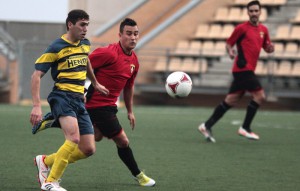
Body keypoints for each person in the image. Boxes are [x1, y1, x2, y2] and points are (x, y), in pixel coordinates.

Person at [32, 18, 155, 187]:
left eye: (136, 34)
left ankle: (46, 159)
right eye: (128, 34)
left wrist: (130, 111)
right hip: (96, 105)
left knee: (90, 146)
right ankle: (139, 175)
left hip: (109, 107)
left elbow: (129, 87)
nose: (133, 38)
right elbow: (82, 63)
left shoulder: (134, 61)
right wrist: (81, 89)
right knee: (123, 141)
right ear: (120, 35)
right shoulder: (108, 53)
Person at [30, 9, 108, 191]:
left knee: (88, 148)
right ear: (70, 25)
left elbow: (85, 60)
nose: (85, 29)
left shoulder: (85, 44)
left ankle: (45, 161)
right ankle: (51, 182)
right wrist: (36, 105)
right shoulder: (56, 46)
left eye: (87, 25)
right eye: (82, 24)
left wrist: (95, 83)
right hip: (62, 96)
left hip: (79, 100)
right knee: (72, 138)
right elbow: (36, 75)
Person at [198, 0, 274, 143]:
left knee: (230, 101)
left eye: (256, 11)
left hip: (248, 70)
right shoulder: (241, 28)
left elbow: (267, 46)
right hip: (242, 69)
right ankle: (245, 127)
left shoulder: (264, 30)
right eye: (251, 11)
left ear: (260, 12)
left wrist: (270, 48)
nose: (254, 13)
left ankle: (206, 126)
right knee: (260, 96)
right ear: (247, 12)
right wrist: (231, 51)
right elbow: (228, 44)